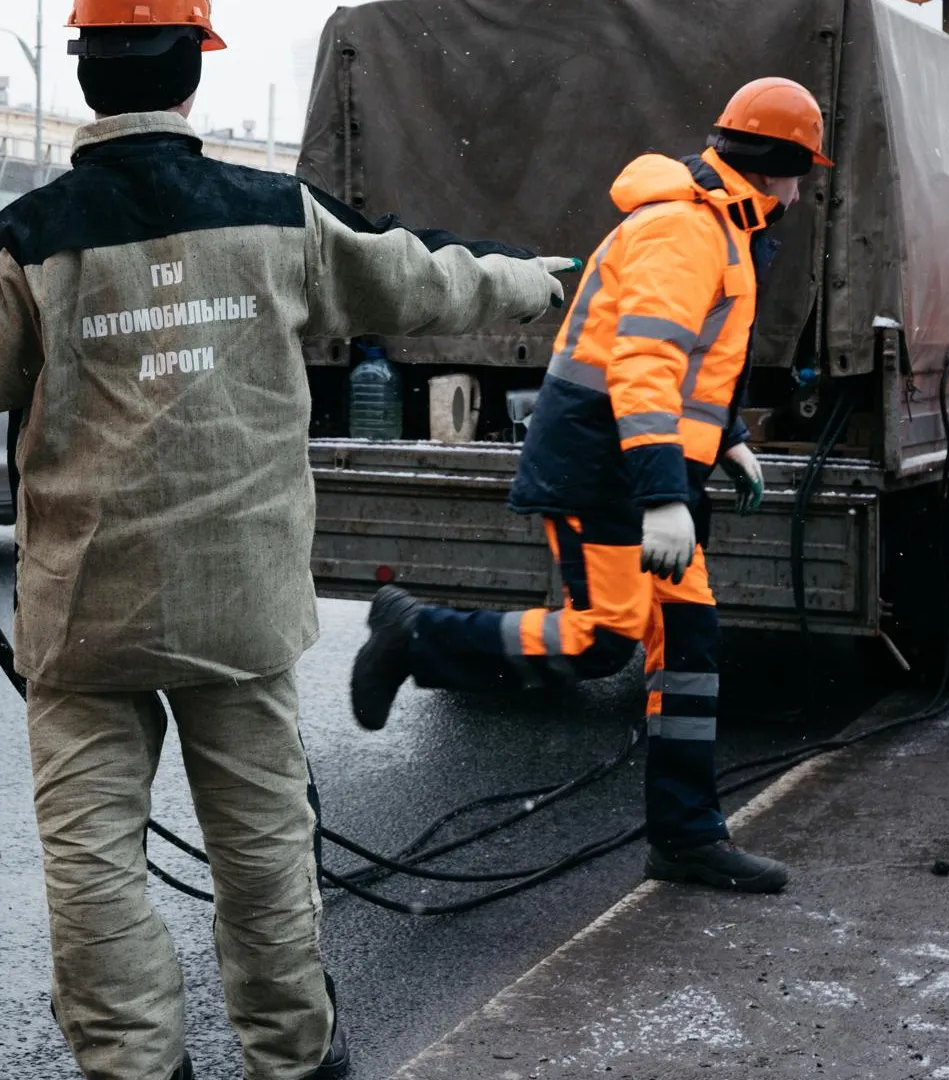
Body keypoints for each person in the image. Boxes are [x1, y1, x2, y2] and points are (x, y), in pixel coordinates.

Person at [0, 3, 576, 1078]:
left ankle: (136, 1066)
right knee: (260, 856)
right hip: (236, 611)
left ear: (86, 74)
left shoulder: (27, 234)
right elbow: (424, 279)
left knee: (93, 872)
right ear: (193, 68)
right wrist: (543, 278)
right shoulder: (274, 215)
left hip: (84, 619)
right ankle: (293, 1056)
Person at [346, 77, 834, 894]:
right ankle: (416, 634)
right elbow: (640, 367)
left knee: (687, 640)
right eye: (801, 173)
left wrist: (730, 441)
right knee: (602, 637)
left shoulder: (720, 230)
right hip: (605, 463)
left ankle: (683, 837)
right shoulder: (686, 230)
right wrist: (664, 496)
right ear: (780, 164)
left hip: (638, 459)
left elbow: (691, 367)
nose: (799, 191)